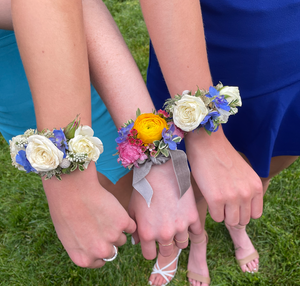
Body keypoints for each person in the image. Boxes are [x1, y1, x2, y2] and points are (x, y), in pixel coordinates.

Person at [1, 0, 202, 273]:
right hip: (11, 98)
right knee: (111, 187)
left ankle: (169, 237)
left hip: (64, 68)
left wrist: (152, 155)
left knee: (125, 177)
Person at [140, 0, 300, 285]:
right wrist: (205, 138)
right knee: (191, 176)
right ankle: (197, 241)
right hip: (202, 44)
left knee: (268, 159)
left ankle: (237, 223)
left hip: (290, 59)